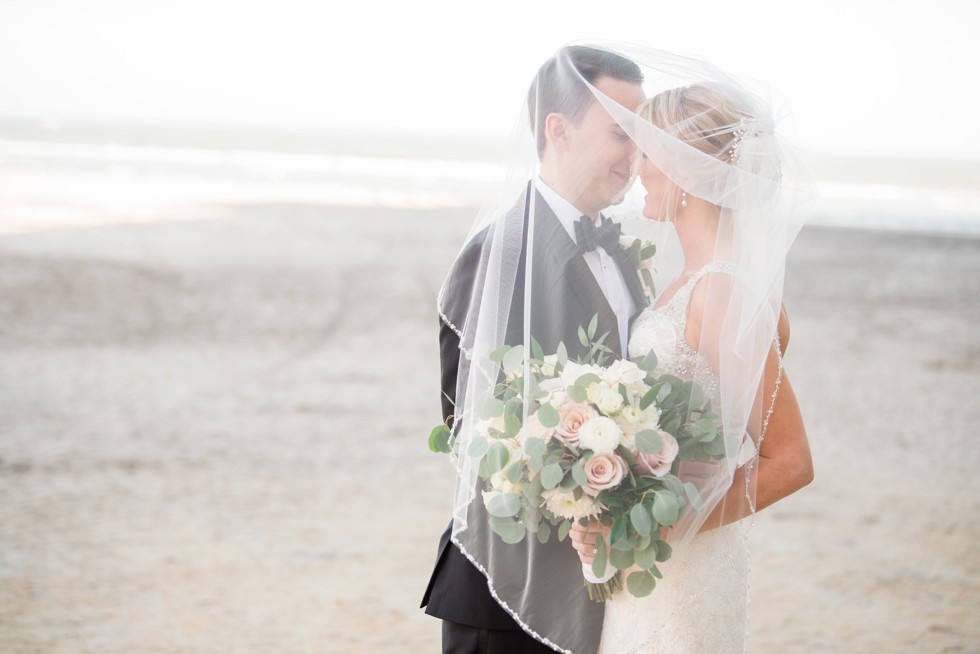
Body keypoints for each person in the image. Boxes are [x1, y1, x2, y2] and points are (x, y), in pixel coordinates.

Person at [568, 82, 815, 652]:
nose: (637, 169)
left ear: (689, 173)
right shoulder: (688, 281)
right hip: (653, 567)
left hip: (684, 576)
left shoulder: (721, 290)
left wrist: (649, 526)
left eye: (649, 154)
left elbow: (791, 461)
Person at [420, 46, 648, 653]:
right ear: (558, 130)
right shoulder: (495, 257)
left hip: (597, 584)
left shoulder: (620, 255)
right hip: (504, 594)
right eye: (621, 134)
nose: (637, 157)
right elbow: (469, 426)